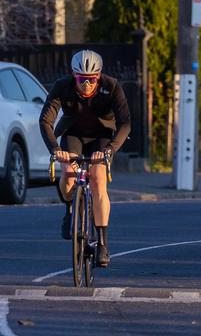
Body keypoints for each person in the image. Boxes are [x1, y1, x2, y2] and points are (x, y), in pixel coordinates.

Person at [39, 49, 131, 268]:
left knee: (98, 179)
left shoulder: (112, 87)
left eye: (91, 79)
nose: (86, 84)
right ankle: (70, 208)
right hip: (73, 134)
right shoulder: (62, 86)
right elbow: (45, 121)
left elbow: (125, 123)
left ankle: (102, 243)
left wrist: (110, 150)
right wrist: (54, 148)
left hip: (102, 138)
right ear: (74, 76)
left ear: (98, 76)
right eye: (81, 79)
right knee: (68, 174)